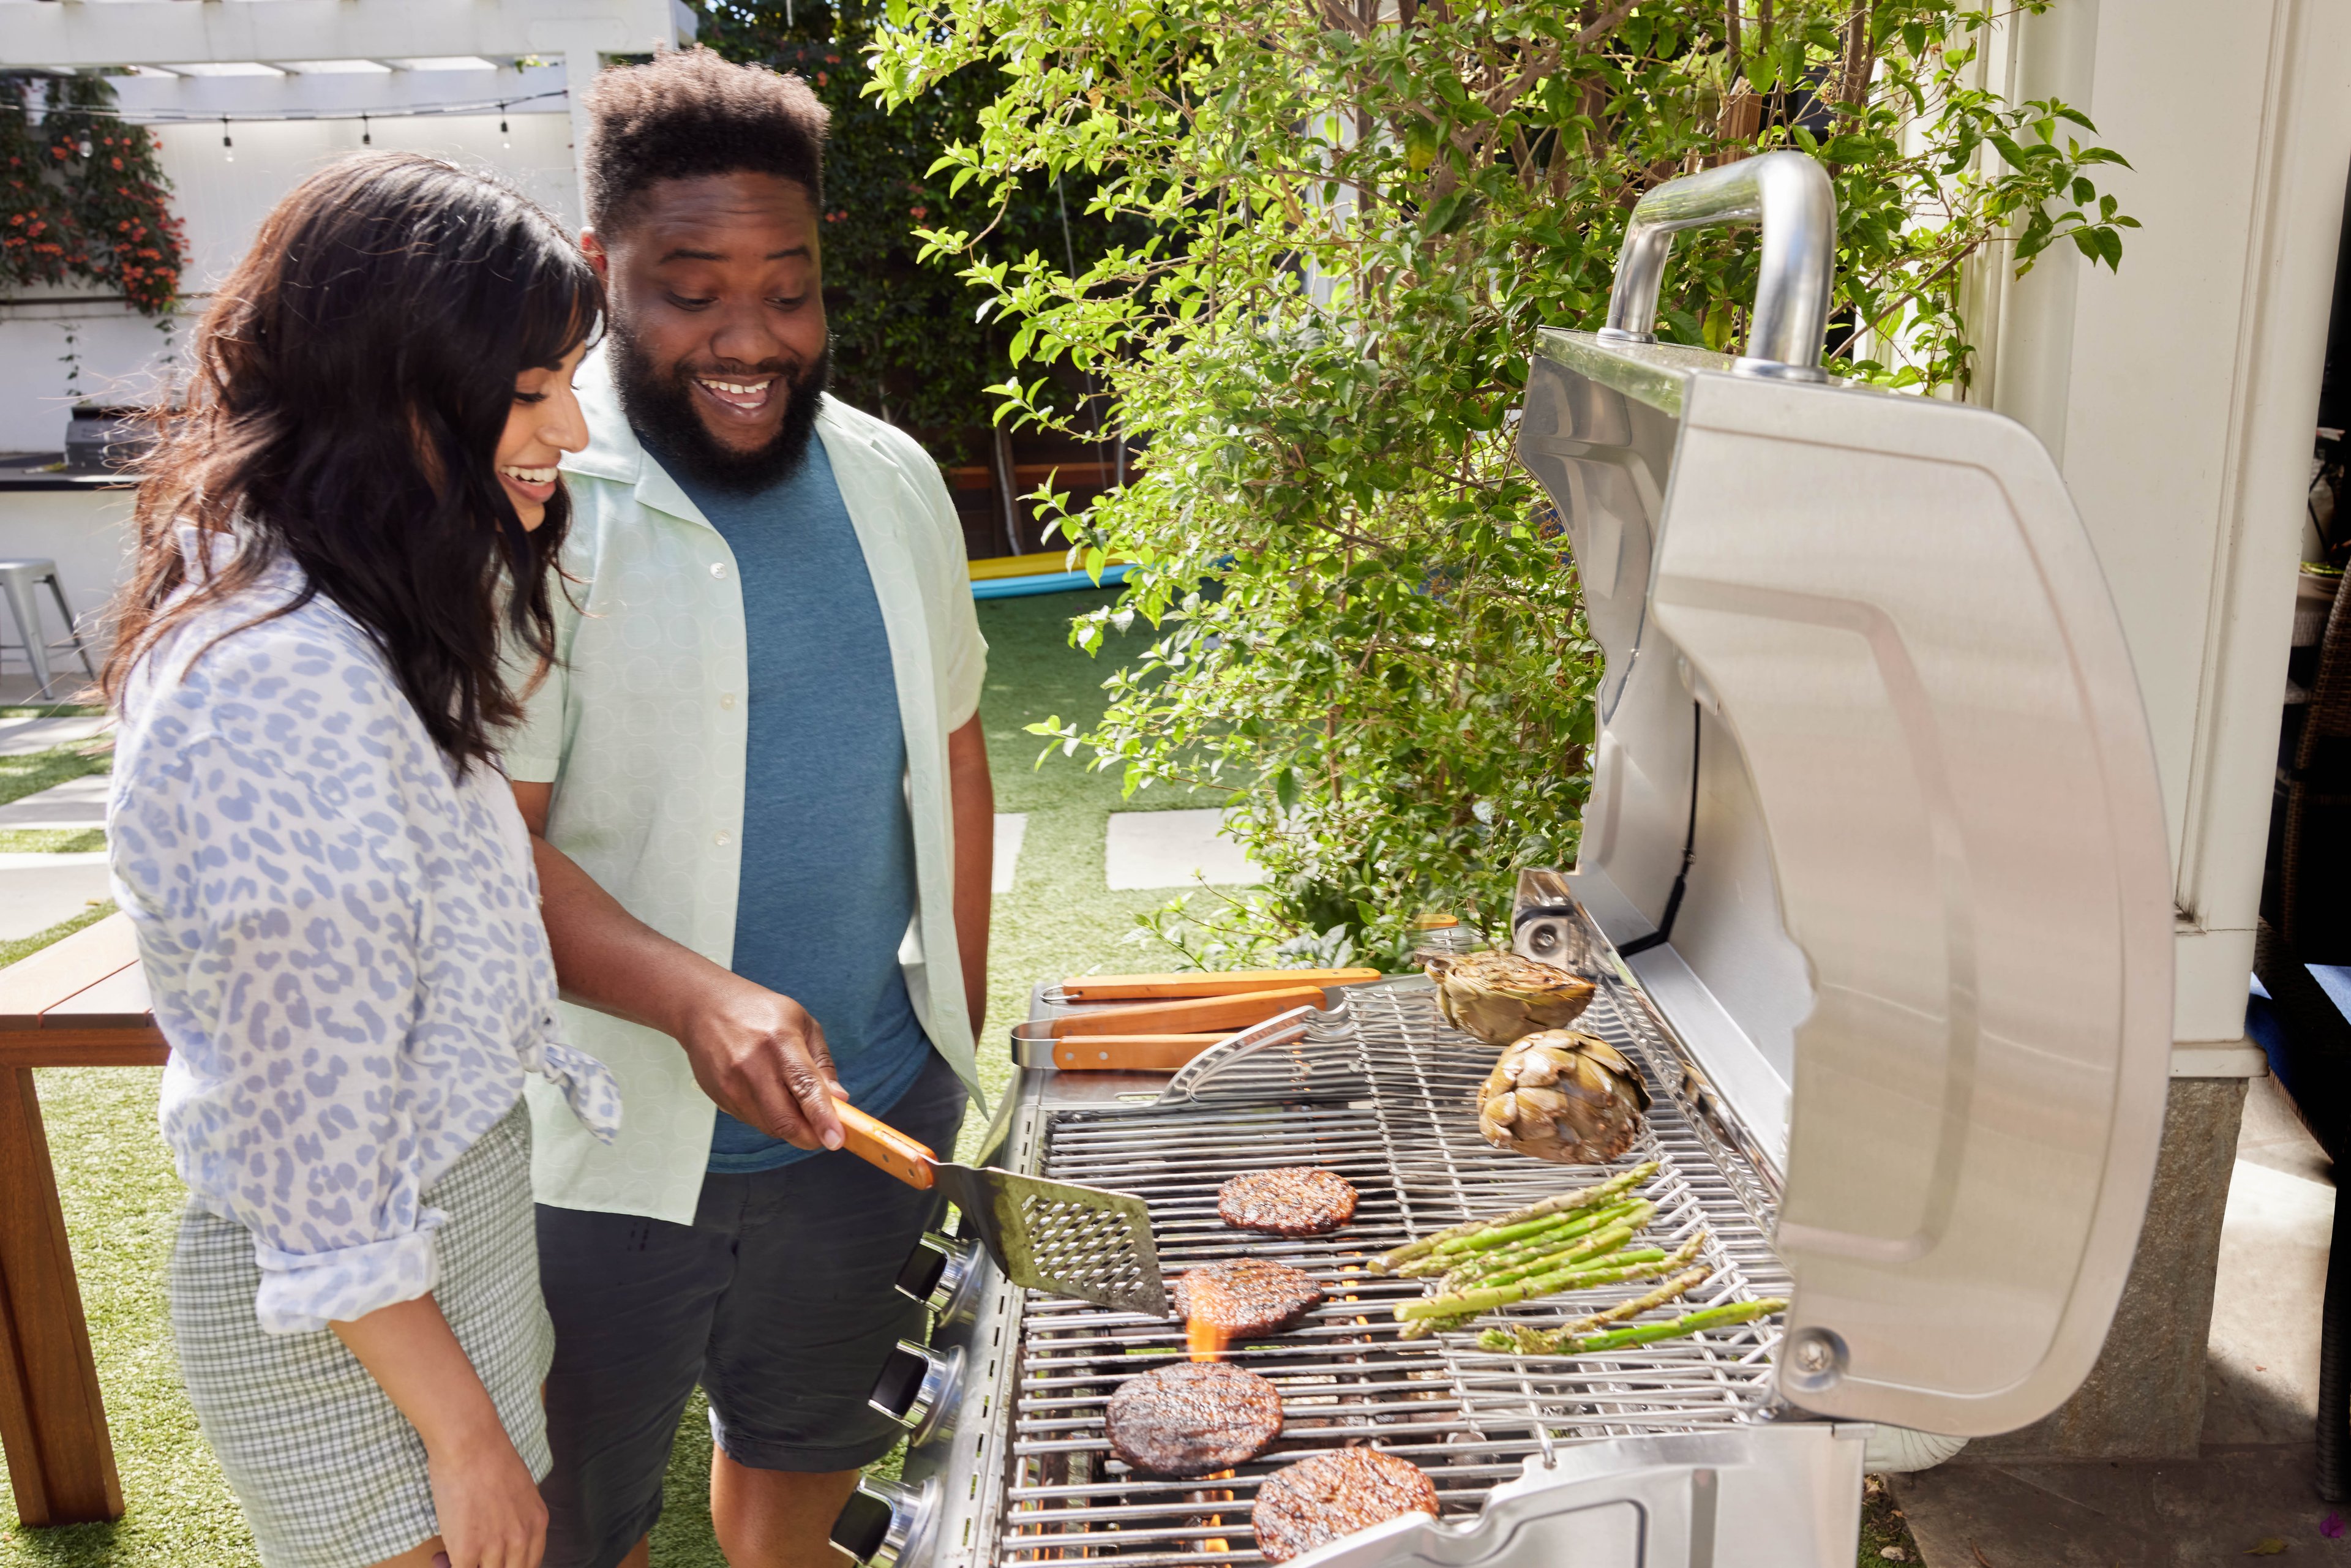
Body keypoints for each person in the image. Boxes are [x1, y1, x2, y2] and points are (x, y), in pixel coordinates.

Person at [504, 48, 993, 1568]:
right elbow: (480, 845)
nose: (750, 338)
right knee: (568, 1522)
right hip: (588, 1157)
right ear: (603, 273)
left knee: (806, 1454)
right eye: (691, 287)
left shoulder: (894, 477)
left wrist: (948, 1036)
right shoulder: (527, 497)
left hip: (870, 1122)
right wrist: (704, 1002)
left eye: (788, 288)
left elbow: (956, 754)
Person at [104, 154, 621, 1568]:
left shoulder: (340, 617)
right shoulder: (269, 688)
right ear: (389, 391)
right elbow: (313, 1156)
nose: (572, 428)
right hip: (353, 1324)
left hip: (428, 1262)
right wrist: (462, 1438)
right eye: (530, 389)